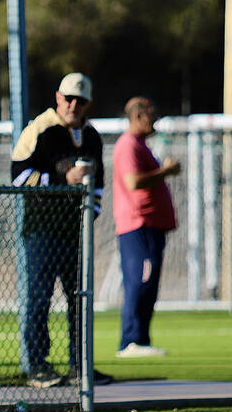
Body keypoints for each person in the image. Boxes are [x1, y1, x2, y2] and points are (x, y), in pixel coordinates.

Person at [10, 72, 113, 388]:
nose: (73, 104)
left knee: (80, 298)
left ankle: (80, 365)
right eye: (68, 98)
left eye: (80, 100)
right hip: (42, 229)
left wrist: (89, 215)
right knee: (39, 298)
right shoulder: (41, 129)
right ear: (58, 97)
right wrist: (60, 181)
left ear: (88, 104)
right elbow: (17, 176)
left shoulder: (92, 136)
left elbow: (97, 186)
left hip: (75, 231)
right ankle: (38, 366)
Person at [112, 97, 180, 357]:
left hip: (151, 225)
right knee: (139, 280)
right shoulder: (128, 145)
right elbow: (133, 182)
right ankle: (130, 340)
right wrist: (166, 171)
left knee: (148, 283)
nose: (155, 119)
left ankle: (141, 339)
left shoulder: (141, 145)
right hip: (137, 224)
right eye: (151, 114)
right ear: (138, 116)